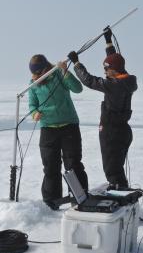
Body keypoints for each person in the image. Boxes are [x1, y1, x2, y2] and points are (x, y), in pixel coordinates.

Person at [67, 28, 137, 188]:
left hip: (112, 132)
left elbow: (89, 81)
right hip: (123, 131)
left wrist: (76, 63)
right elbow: (114, 60)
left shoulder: (114, 85)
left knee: (112, 169)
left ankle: (120, 194)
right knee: (116, 168)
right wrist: (108, 41)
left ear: (114, 70)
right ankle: (120, 189)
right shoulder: (126, 80)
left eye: (106, 69)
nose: (104, 71)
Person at [28, 54, 88, 210]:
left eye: (37, 72)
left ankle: (79, 198)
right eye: (33, 73)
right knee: (50, 167)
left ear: (45, 68)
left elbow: (78, 89)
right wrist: (35, 113)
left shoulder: (58, 74)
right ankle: (51, 202)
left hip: (69, 126)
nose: (35, 76)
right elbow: (32, 105)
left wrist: (65, 72)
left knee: (73, 164)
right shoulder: (33, 84)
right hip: (48, 129)